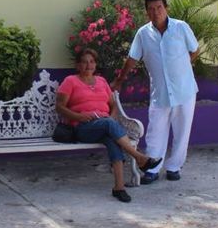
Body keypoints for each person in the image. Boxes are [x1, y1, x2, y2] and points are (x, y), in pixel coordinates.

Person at [111, 0, 199, 184]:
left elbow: (194, 50)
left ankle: (174, 167)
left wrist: (182, 68)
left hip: (184, 90)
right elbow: (132, 58)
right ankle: (152, 169)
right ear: (147, 12)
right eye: (151, 9)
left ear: (166, 8)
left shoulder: (181, 27)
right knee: (155, 131)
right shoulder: (143, 34)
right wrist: (120, 79)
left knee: (182, 131)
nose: (156, 12)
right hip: (159, 93)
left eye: (159, 7)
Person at [56, 48, 161, 202]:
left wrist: (110, 120)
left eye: (92, 62)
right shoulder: (70, 81)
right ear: (78, 65)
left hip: (104, 125)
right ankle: (139, 157)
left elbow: (113, 106)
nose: (88, 65)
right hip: (83, 127)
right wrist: (79, 116)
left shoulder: (102, 81)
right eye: (84, 62)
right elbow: (59, 107)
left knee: (112, 140)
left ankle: (119, 188)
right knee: (108, 125)